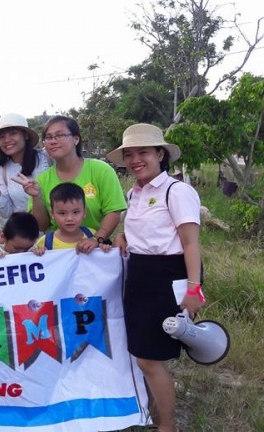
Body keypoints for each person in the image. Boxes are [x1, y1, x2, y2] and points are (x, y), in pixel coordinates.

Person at [108, 124, 205, 432]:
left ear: (160, 154)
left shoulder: (177, 191)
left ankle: (167, 426)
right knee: (142, 354)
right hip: (138, 276)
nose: (136, 160)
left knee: (149, 359)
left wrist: (194, 289)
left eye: (144, 152)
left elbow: (191, 243)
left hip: (166, 278)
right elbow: (144, 231)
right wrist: (123, 236)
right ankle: (152, 414)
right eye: (130, 154)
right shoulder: (133, 193)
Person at [18, 115, 126, 253]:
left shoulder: (101, 170)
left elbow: (113, 212)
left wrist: (96, 239)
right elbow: (42, 226)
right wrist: (36, 197)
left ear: (76, 139)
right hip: (58, 252)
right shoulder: (42, 180)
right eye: (48, 137)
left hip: (96, 250)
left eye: (60, 135)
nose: (53, 141)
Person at [0, 113, 49, 221]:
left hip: (60, 228)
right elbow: (6, 212)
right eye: (1, 136)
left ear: (26, 135)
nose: (7, 140)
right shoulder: (1, 171)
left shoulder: (46, 158)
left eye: (13, 133)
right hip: (25, 230)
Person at [32, 183, 111, 254]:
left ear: (84, 212)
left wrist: (104, 249)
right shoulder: (44, 242)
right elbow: (34, 260)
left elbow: (103, 258)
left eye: (75, 212)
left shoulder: (92, 235)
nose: (69, 218)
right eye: (62, 213)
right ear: (52, 214)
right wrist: (39, 254)